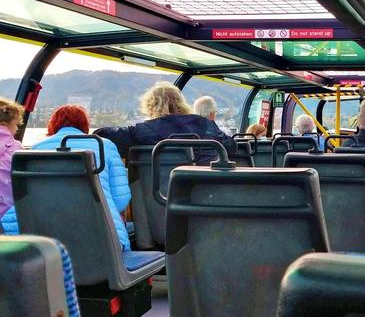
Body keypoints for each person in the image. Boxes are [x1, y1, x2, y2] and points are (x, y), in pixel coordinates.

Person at [1, 105, 132, 251]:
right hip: (104, 240)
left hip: (49, 240)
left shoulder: (37, 148)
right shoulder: (104, 145)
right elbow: (121, 201)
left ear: (53, 125)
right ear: (84, 124)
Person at [95, 81, 236, 165]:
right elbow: (231, 147)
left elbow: (103, 134)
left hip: (161, 195)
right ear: (181, 103)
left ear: (150, 106)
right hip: (205, 192)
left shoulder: (144, 131)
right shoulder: (206, 124)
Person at [0, 98, 23, 223]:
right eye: (16, 124)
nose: (17, 129)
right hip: (6, 215)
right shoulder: (16, 149)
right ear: (4, 125)